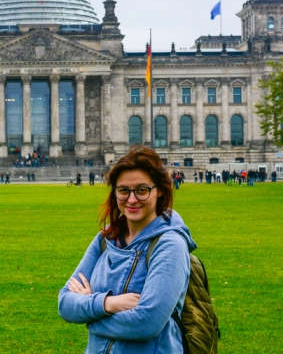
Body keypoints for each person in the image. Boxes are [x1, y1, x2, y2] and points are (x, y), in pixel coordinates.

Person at [58, 146, 196, 353]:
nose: (132, 200)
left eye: (142, 190)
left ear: (159, 191)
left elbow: (146, 323)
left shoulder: (170, 244)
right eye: (123, 190)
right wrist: (108, 303)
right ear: (114, 193)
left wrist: (89, 314)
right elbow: (65, 303)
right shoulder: (106, 238)